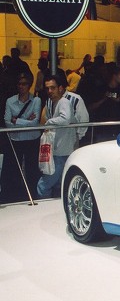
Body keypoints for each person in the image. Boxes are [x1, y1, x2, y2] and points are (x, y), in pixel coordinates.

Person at [1, 73, 42, 203]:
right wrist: (25, 121)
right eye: (19, 84)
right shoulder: (10, 101)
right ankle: (13, 197)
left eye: (24, 84)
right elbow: (7, 121)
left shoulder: (36, 100)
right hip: (16, 140)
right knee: (13, 169)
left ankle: (33, 195)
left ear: (29, 86)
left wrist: (17, 120)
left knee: (32, 168)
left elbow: (35, 123)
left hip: (32, 139)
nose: (21, 86)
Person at [37, 74, 76, 199]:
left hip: (61, 152)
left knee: (43, 186)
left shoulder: (63, 102)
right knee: (59, 185)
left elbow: (65, 119)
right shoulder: (54, 102)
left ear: (60, 88)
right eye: (47, 88)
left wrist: (49, 122)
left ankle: (42, 212)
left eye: (52, 88)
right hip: (61, 150)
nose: (49, 91)